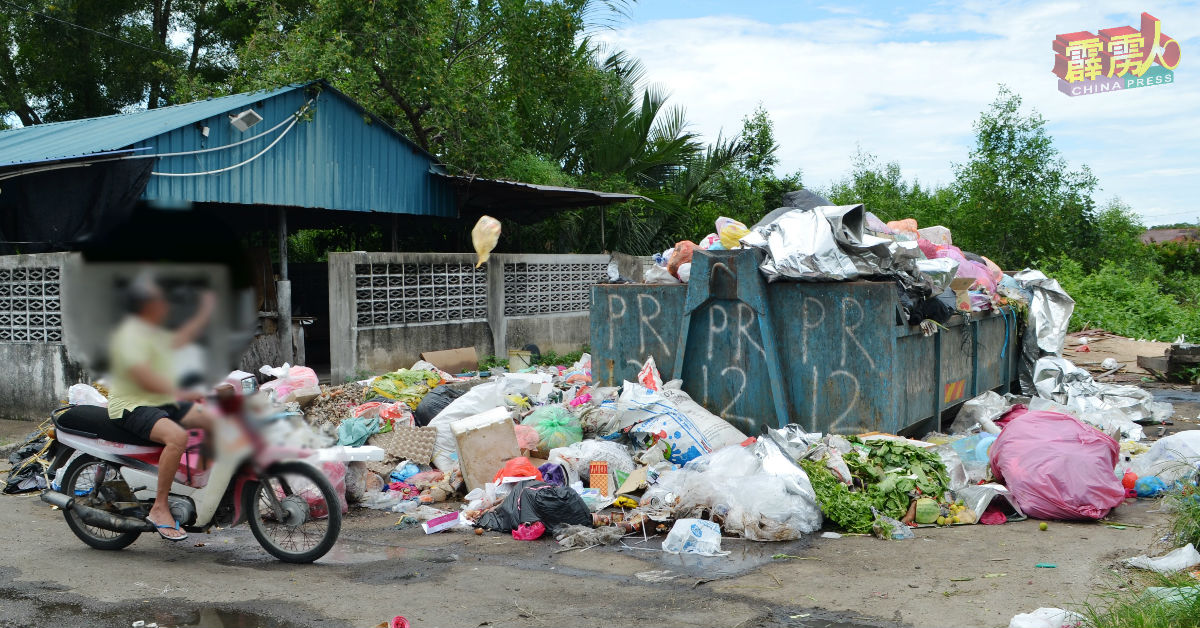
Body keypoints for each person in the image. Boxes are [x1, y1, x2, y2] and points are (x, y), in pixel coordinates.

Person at [106, 275, 218, 541]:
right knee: (177, 437)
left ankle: (196, 485)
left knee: (214, 421)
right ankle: (159, 507)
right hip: (131, 404)